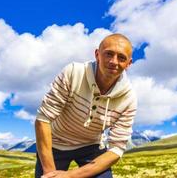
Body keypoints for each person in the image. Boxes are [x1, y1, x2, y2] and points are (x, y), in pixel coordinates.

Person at [35, 33, 137, 178]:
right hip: (55, 142)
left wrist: (70, 176)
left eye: (121, 57)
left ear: (129, 64)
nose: (114, 61)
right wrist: (50, 174)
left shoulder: (129, 99)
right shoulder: (73, 72)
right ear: (97, 54)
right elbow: (43, 118)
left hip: (91, 146)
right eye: (109, 54)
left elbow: (116, 149)